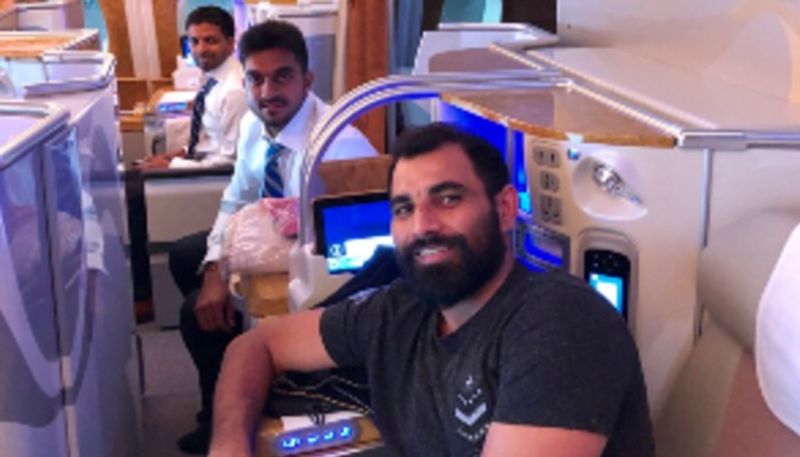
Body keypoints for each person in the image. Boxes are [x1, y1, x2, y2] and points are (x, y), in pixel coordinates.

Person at [208, 123, 655, 457]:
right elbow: (255, 346)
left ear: (503, 209)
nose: (423, 226)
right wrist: (230, 445)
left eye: (448, 199)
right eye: (404, 208)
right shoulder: (399, 310)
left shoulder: (558, 324)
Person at [169, 20, 377, 454]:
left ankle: (227, 411)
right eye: (256, 79)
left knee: (195, 315)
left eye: (282, 76)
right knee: (184, 257)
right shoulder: (253, 125)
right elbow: (236, 201)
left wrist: (233, 283)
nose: (268, 92)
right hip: (268, 245)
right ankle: (227, 374)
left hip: (325, 269)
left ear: (307, 79)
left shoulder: (341, 149)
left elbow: (356, 255)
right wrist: (214, 270)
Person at [136, 6, 247, 170]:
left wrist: (172, 165)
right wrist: (182, 153)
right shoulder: (211, 79)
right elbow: (214, 140)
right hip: (205, 165)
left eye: (210, 41)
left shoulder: (234, 91)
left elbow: (232, 162)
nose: (201, 50)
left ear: (230, 44)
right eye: (194, 41)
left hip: (218, 180)